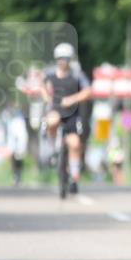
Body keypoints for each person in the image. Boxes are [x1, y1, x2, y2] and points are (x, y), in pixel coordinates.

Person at [42, 43, 92, 194]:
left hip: (72, 113)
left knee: (74, 144)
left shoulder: (77, 74)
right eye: (60, 58)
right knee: (52, 121)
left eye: (66, 58)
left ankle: (74, 177)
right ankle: (52, 149)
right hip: (56, 109)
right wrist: (47, 98)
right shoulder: (50, 73)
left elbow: (87, 91)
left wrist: (73, 99)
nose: (63, 61)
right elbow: (41, 85)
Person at [6, 107, 29, 187]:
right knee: (13, 161)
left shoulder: (20, 121)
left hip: (20, 143)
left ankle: (18, 176)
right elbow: (11, 135)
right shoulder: (12, 121)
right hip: (14, 143)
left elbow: (22, 135)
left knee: (19, 161)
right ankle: (15, 176)